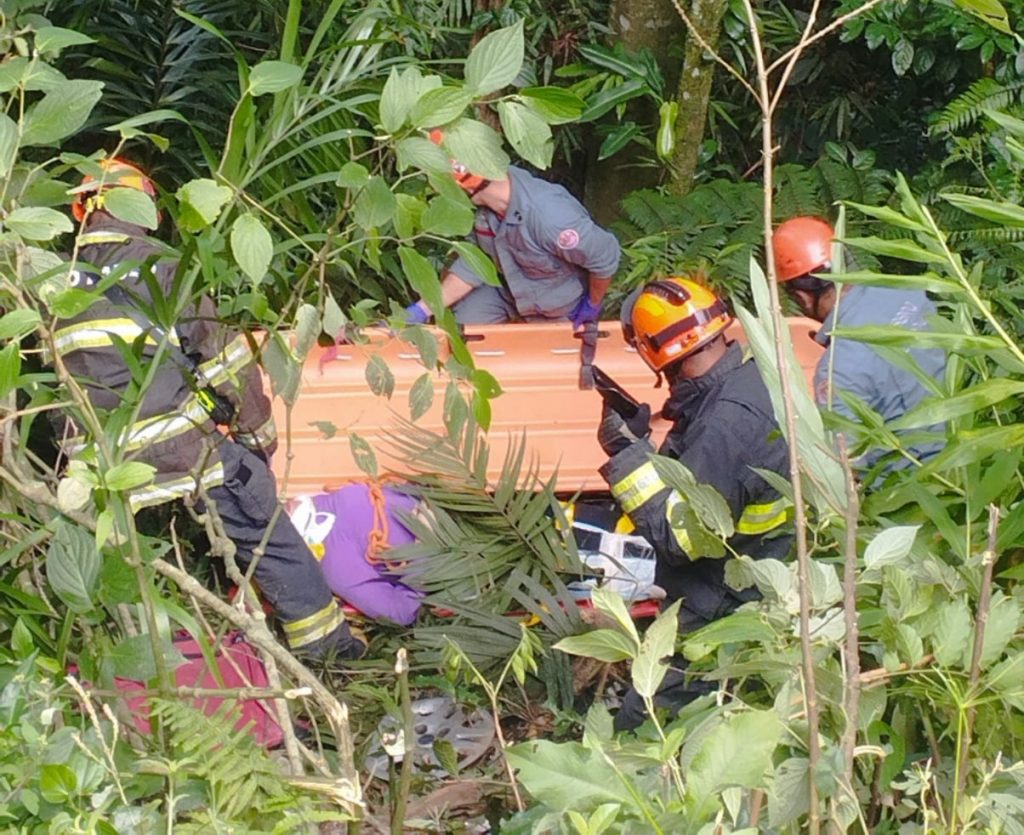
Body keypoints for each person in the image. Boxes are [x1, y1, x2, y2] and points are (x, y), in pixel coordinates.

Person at [57, 157, 365, 662]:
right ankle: (329, 649)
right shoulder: (159, 263)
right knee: (259, 520)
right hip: (179, 450)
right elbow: (224, 360)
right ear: (141, 204)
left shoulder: (57, 284)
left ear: (81, 211)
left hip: (101, 470)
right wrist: (258, 436)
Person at [597, 277, 792, 731]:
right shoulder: (748, 381)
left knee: (645, 726)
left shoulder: (727, 421)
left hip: (724, 600)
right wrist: (647, 446)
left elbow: (680, 538)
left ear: (652, 351)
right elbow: (703, 481)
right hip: (759, 575)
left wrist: (627, 457)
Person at [772, 216, 946, 473]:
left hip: (909, 489)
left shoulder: (837, 371)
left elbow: (848, 466)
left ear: (801, 297)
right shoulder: (909, 294)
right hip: (962, 452)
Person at [405, 132, 621, 327]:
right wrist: (422, 309)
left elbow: (605, 257)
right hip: (504, 287)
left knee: (544, 360)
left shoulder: (550, 217)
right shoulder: (482, 209)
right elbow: (473, 265)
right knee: (465, 333)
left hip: (554, 300)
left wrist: (592, 304)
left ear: (464, 186)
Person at [288, 482, 423, 626]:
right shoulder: (337, 568)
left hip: (436, 516)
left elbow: (399, 612)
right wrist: (424, 551)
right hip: (438, 547)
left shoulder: (337, 569)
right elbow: (399, 612)